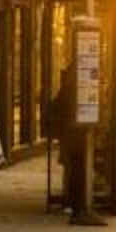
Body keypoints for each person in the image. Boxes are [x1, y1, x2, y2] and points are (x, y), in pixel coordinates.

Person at [51, 63, 84, 215]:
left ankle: (69, 200)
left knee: (70, 168)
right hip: (75, 134)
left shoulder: (66, 88)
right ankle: (73, 201)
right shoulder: (75, 88)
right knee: (75, 168)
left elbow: (55, 107)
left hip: (69, 133)